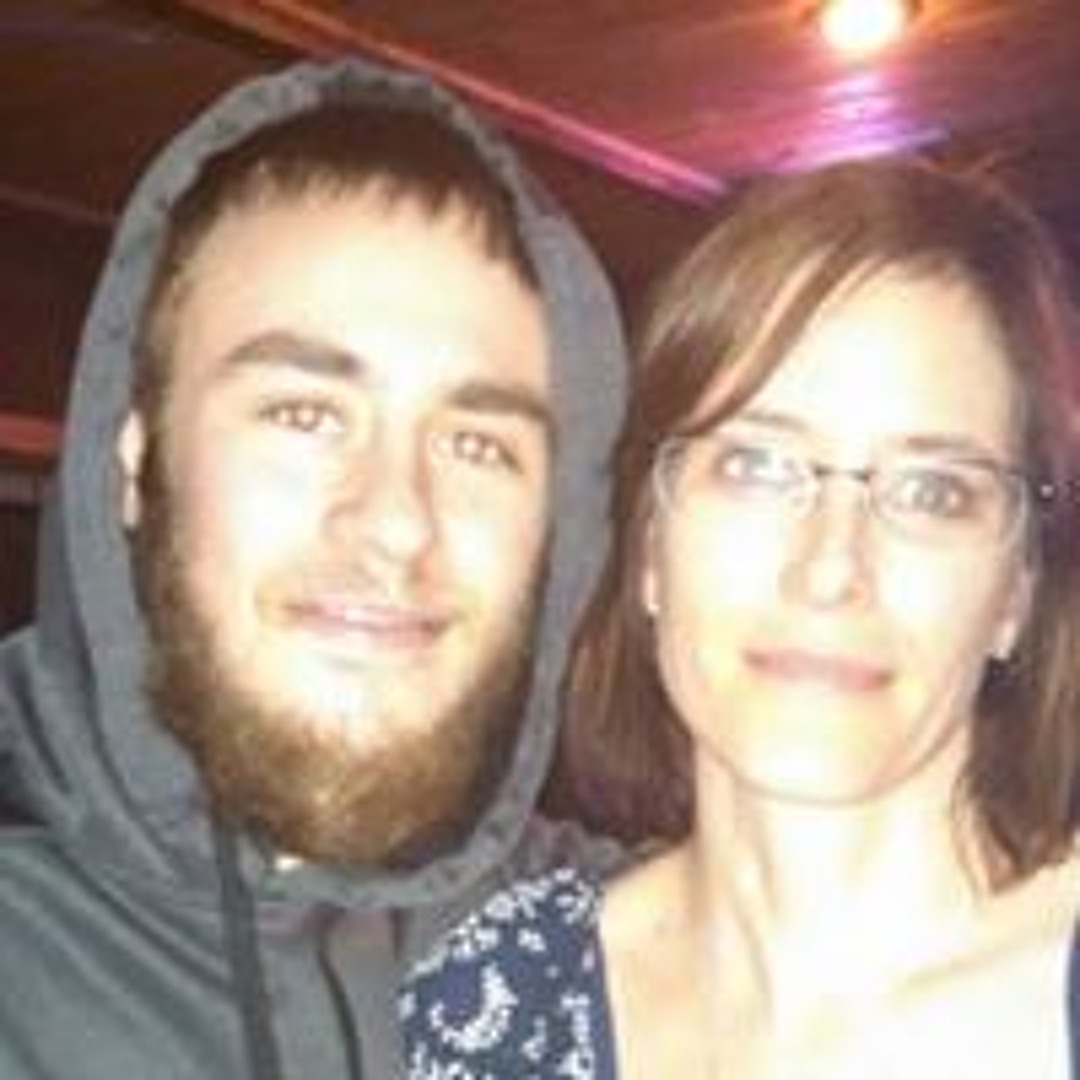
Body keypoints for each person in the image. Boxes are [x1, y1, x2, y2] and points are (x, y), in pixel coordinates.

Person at [0, 57, 626, 1078]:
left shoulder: (632, 953)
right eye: (304, 414)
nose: (395, 522)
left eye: (476, 444)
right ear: (135, 463)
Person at [402, 157, 1080, 1078]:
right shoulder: (494, 1006)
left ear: (1016, 592)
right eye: (757, 466)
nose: (830, 569)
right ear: (648, 545)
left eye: (932, 491)